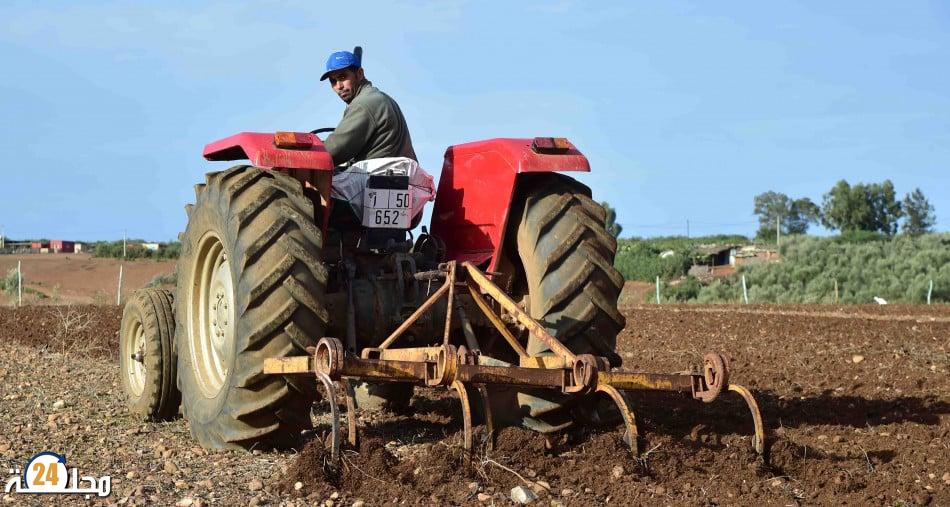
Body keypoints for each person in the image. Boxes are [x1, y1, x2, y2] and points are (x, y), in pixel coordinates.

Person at [320, 50, 417, 166]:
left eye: (343, 77)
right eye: (333, 81)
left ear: (359, 74)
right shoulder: (380, 98)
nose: (339, 86)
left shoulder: (363, 104)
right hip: (397, 176)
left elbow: (333, 151)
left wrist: (309, 151)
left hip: (379, 178)